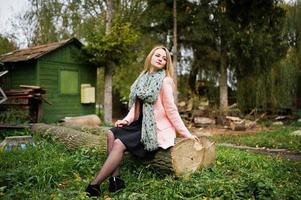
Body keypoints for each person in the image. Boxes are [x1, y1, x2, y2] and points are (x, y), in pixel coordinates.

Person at [85, 46, 199, 197]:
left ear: (166, 64)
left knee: (119, 143)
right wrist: (126, 121)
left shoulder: (165, 81)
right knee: (111, 133)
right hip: (139, 124)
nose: (160, 59)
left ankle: (94, 185)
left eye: (164, 58)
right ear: (150, 57)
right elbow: (135, 107)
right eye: (157, 55)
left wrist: (186, 134)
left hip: (154, 128)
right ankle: (115, 180)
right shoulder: (143, 78)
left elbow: (171, 111)